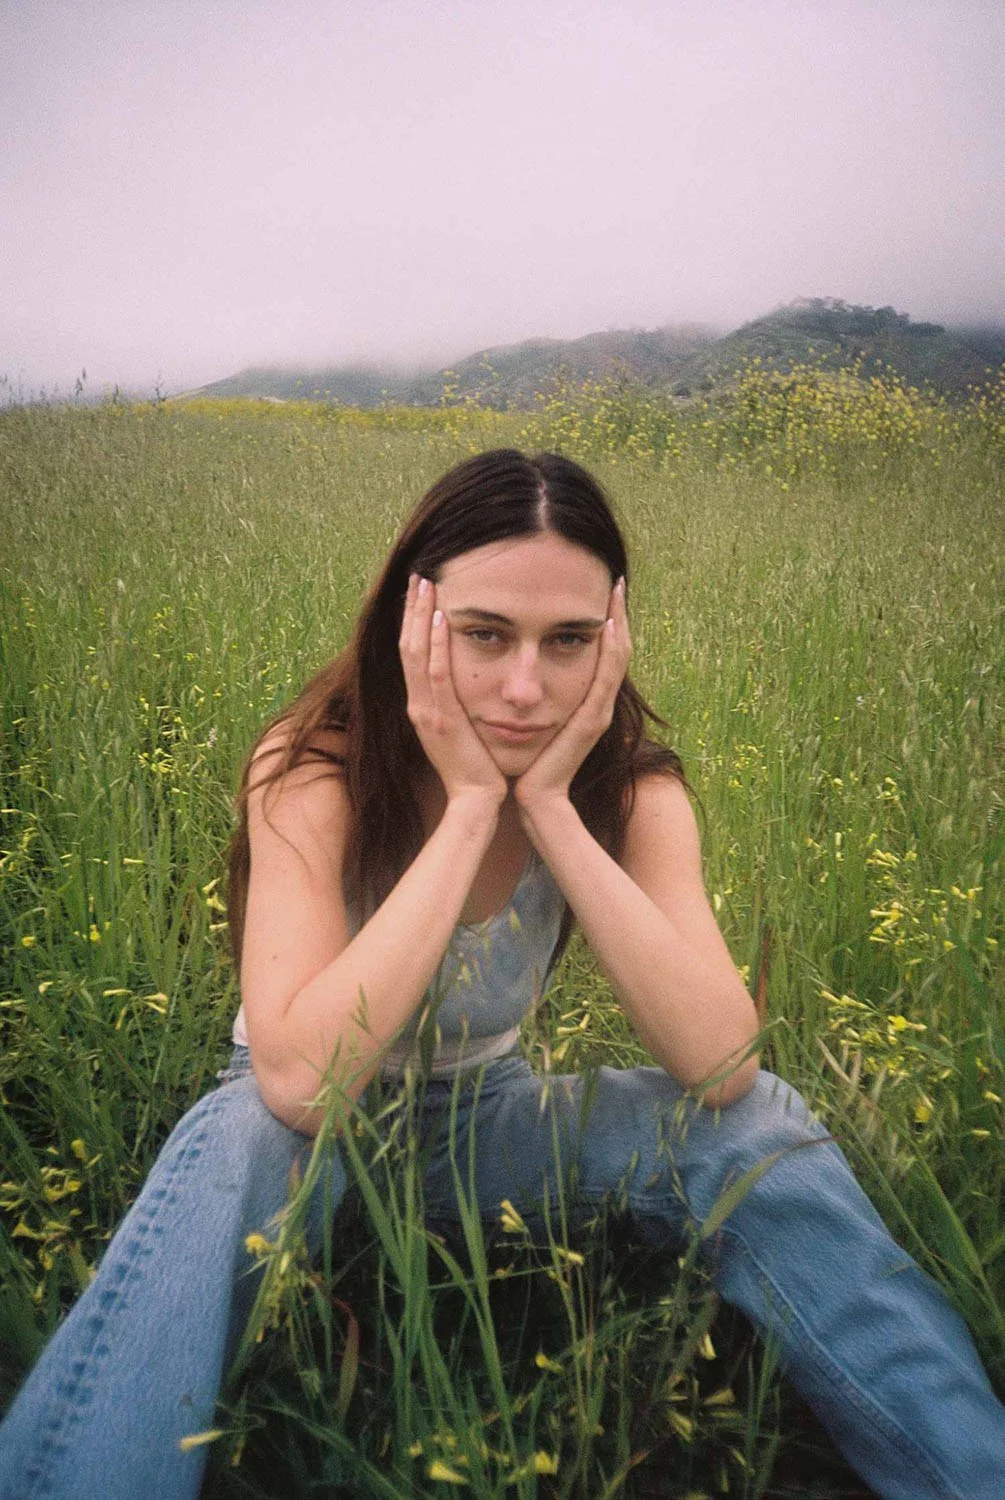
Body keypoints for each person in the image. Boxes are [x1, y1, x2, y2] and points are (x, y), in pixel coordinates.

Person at [1, 449, 1002, 1500]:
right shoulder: (312, 770)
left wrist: (553, 810)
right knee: (236, 1134)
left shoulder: (636, 796)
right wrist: (472, 806)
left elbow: (721, 1067)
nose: (526, 688)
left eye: (568, 640)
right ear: (413, 623)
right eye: (484, 634)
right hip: (297, 1143)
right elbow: (300, 1085)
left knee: (760, 1126)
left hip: (485, 1122)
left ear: (613, 638)